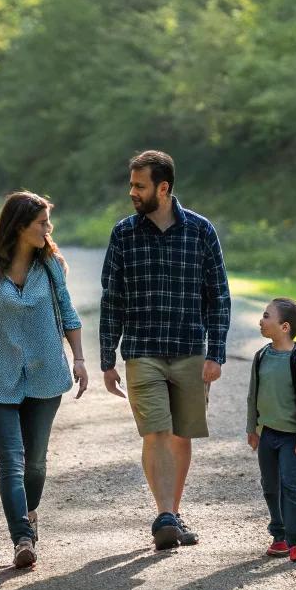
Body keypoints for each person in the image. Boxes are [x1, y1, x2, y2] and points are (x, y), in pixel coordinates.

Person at [0, 191, 88, 570]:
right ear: (20, 226)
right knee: (11, 460)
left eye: (48, 222)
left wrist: (78, 358)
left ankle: (29, 512)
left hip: (46, 372)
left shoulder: (51, 266)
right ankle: (22, 538)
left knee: (36, 463)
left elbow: (68, 312)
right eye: (41, 222)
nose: (48, 228)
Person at [100, 149, 231, 551]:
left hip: (190, 349)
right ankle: (164, 515)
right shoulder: (124, 234)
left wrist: (217, 353)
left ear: (164, 187)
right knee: (156, 430)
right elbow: (112, 298)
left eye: (140, 186)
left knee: (181, 434)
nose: (132, 192)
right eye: (131, 184)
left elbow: (218, 296)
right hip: (143, 351)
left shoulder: (200, 231)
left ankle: (173, 511)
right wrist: (107, 357)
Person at [246, 297, 296, 563]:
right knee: (270, 486)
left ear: (284, 327)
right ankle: (279, 537)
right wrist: (252, 428)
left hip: (292, 439)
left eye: (266, 316)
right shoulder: (261, 356)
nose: (261, 320)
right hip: (267, 435)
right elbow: (253, 395)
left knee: (293, 487)